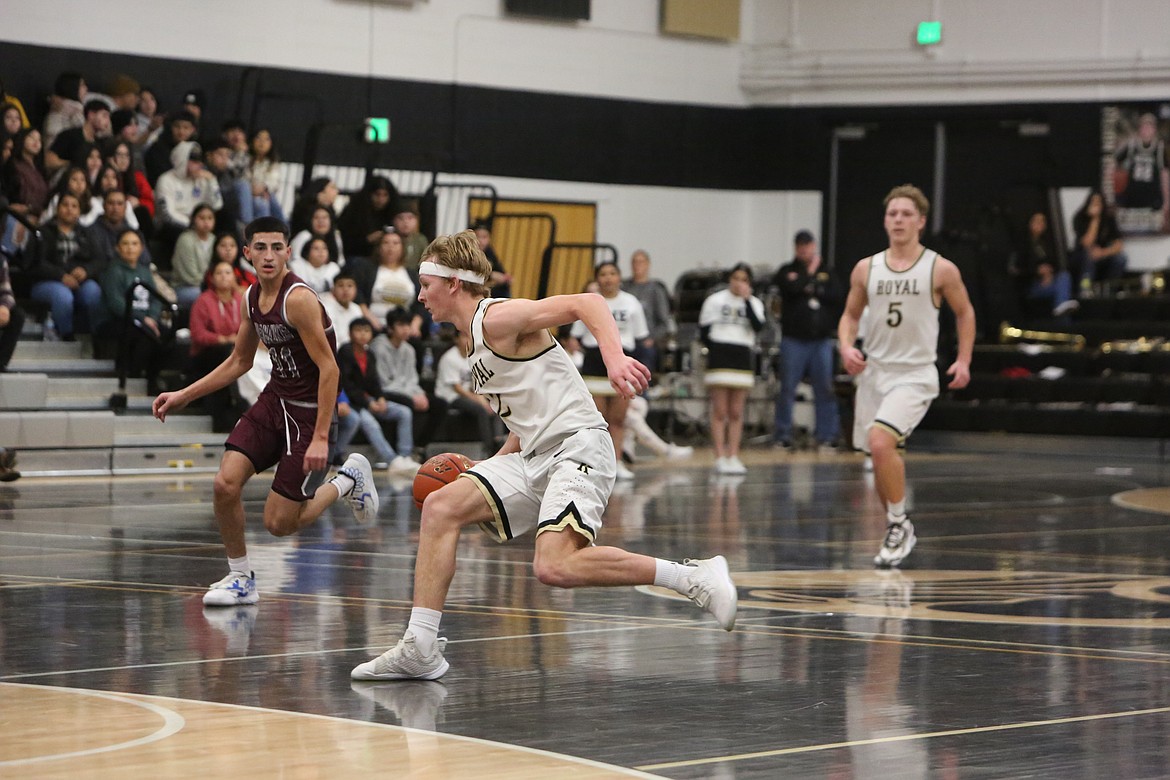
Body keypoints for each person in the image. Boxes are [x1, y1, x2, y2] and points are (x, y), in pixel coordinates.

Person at [349, 230, 736, 682]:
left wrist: (613, 359)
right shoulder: (472, 341)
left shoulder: (496, 318)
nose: (420, 295)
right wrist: (491, 467)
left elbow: (587, 304)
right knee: (441, 506)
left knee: (554, 566)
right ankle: (420, 646)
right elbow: (523, 419)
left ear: (453, 283)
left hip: (578, 446)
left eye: (425, 284)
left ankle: (694, 578)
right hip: (534, 453)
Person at [152, 216, 380, 607]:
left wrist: (322, 436)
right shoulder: (250, 297)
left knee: (278, 524)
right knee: (224, 484)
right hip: (275, 401)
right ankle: (240, 577)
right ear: (247, 254)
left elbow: (330, 368)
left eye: (277, 247)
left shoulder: (300, 300)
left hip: (310, 413)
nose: (269, 255)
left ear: (288, 252)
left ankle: (348, 480)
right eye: (260, 247)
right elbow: (239, 360)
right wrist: (185, 394)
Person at [837, 184, 975, 568]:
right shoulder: (867, 267)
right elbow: (849, 315)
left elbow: (964, 312)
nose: (898, 220)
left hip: (914, 374)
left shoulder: (940, 267)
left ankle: (898, 524)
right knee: (882, 457)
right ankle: (898, 526)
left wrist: (963, 360)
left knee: (881, 442)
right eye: (892, 214)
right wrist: (847, 347)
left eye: (905, 214)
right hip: (875, 373)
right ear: (885, 221)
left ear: (921, 222)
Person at [570, 261, 648, 481]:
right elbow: (576, 335)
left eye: (612, 273)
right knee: (597, 420)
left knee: (618, 419)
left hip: (622, 362)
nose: (608, 278)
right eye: (603, 274)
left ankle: (617, 463)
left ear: (619, 277)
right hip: (595, 363)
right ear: (597, 278)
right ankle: (596, 464)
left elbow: (641, 337)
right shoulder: (589, 302)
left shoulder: (631, 303)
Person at [773, 230, 843, 453]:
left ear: (814, 246)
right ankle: (783, 434)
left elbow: (836, 296)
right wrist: (809, 275)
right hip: (794, 340)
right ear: (795, 248)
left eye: (808, 245)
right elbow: (791, 289)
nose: (804, 249)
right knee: (787, 389)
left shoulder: (828, 272)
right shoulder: (787, 271)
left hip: (820, 340)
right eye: (800, 246)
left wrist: (813, 286)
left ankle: (826, 435)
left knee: (824, 388)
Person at [699, 263, 765, 475]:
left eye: (744, 279)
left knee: (736, 411)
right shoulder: (715, 300)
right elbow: (704, 331)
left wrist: (746, 300)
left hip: (742, 356)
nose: (739, 283)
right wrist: (716, 348)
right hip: (720, 355)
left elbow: (758, 327)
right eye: (736, 278)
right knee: (720, 410)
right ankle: (719, 455)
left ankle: (733, 455)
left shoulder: (754, 303)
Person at [335, 317, 419, 473]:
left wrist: (380, 398)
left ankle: (405, 456)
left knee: (404, 412)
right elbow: (346, 384)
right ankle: (392, 460)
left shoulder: (369, 354)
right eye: (358, 330)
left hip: (369, 400)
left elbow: (374, 382)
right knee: (370, 423)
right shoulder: (345, 352)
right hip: (352, 401)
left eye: (366, 330)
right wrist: (368, 403)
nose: (362, 334)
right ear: (350, 333)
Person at [98, 229, 168, 393]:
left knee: (167, 334)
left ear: (142, 248)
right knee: (143, 333)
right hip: (118, 320)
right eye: (126, 244)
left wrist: (152, 317)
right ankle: (134, 376)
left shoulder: (144, 271)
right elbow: (116, 304)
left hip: (145, 320)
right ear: (118, 248)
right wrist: (142, 319)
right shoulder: (113, 270)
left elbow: (155, 298)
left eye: (135, 244)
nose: (130, 248)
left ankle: (153, 378)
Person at [370, 309, 445, 451]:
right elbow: (383, 382)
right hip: (384, 390)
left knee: (440, 404)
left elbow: (412, 378)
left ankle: (420, 446)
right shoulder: (378, 347)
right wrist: (411, 396)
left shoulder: (409, 349)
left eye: (407, 325)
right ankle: (402, 450)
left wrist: (419, 394)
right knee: (409, 403)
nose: (406, 329)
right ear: (391, 328)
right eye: (401, 325)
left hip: (407, 390)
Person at [187, 257, 245, 432]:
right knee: (226, 353)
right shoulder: (203, 301)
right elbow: (198, 334)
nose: (223, 276)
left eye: (228, 273)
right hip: (206, 354)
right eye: (219, 273)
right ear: (211, 278)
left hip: (235, 351)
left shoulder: (242, 300)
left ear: (234, 277)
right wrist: (222, 339)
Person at [433, 328, 504, 455]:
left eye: (469, 336)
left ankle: (498, 441)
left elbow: (475, 384)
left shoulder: (472, 356)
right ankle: (488, 449)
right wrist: (480, 402)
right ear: (456, 339)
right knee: (481, 410)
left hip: (468, 393)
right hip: (450, 396)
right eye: (464, 337)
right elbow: (457, 388)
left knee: (497, 403)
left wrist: (483, 399)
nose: (468, 340)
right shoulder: (449, 358)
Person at [622, 249, 676, 374]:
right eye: (634, 262)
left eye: (641, 262)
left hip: (645, 342)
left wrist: (652, 339)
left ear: (648, 265)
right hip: (625, 339)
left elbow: (664, 322)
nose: (637, 266)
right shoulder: (624, 287)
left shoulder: (656, 290)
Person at [1018, 211, 1078, 319]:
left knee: (1065, 277)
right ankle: (1061, 306)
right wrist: (1037, 271)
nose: (1040, 223)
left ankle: (1061, 307)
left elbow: (1055, 264)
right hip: (1032, 284)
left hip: (1049, 281)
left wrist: (1049, 273)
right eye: (1037, 221)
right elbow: (1018, 268)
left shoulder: (1047, 243)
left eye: (1042, 221)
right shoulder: (1022, 244)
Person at [1114, 113, 1169, 223]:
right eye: (1144, 126)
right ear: (1140, 128)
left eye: (1150, 127)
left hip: (1153, 199)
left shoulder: (1159, 148)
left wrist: (1167, 200)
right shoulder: (1131, 145)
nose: (1147, 129)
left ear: (1154, 130)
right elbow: (1114, 163)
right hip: (1132, 197)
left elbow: (1164, 175)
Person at [1069, 190, 1127, 291]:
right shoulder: (1080, 217)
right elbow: (1087, 243)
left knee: (1121, 258)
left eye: (1098, 202)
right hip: (1082, 254)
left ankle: (1110, 290)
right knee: (1089, 257)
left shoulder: (1109, 218)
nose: (1096, 205)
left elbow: (1119, 245)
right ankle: (1085, 290)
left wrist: (1103, 253)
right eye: (1093, 202)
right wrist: (1095, 219)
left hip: (1102, 253)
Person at [171, 203, 216, 308]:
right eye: (202, 218)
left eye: (210, 218)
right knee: (205, 297)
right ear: (193, 219)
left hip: (210, 286)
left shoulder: (214, 239)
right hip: (184, 287)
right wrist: (214, 285)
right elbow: (190, 276)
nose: (206, 222)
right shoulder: (186, 240)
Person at [321, 270, 365, 347]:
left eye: (350, 286)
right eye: (341, 285)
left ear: (356, 290)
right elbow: (331, 340)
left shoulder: (356, 309)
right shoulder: (327, 309)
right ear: (333, 290)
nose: (345, 289)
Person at [472, 221, 511, 298]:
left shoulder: (489, 252)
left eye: (484, 237)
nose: (480, 241)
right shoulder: (467, 252)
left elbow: (500, 271)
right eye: (477, 236)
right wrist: (491, 275)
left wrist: (505, 278)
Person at [392, 201, 429, 270]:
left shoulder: (420, 239)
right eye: (400, 218)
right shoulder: (389, 238)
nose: (405, 222)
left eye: (410, 218)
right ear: (394, 221)